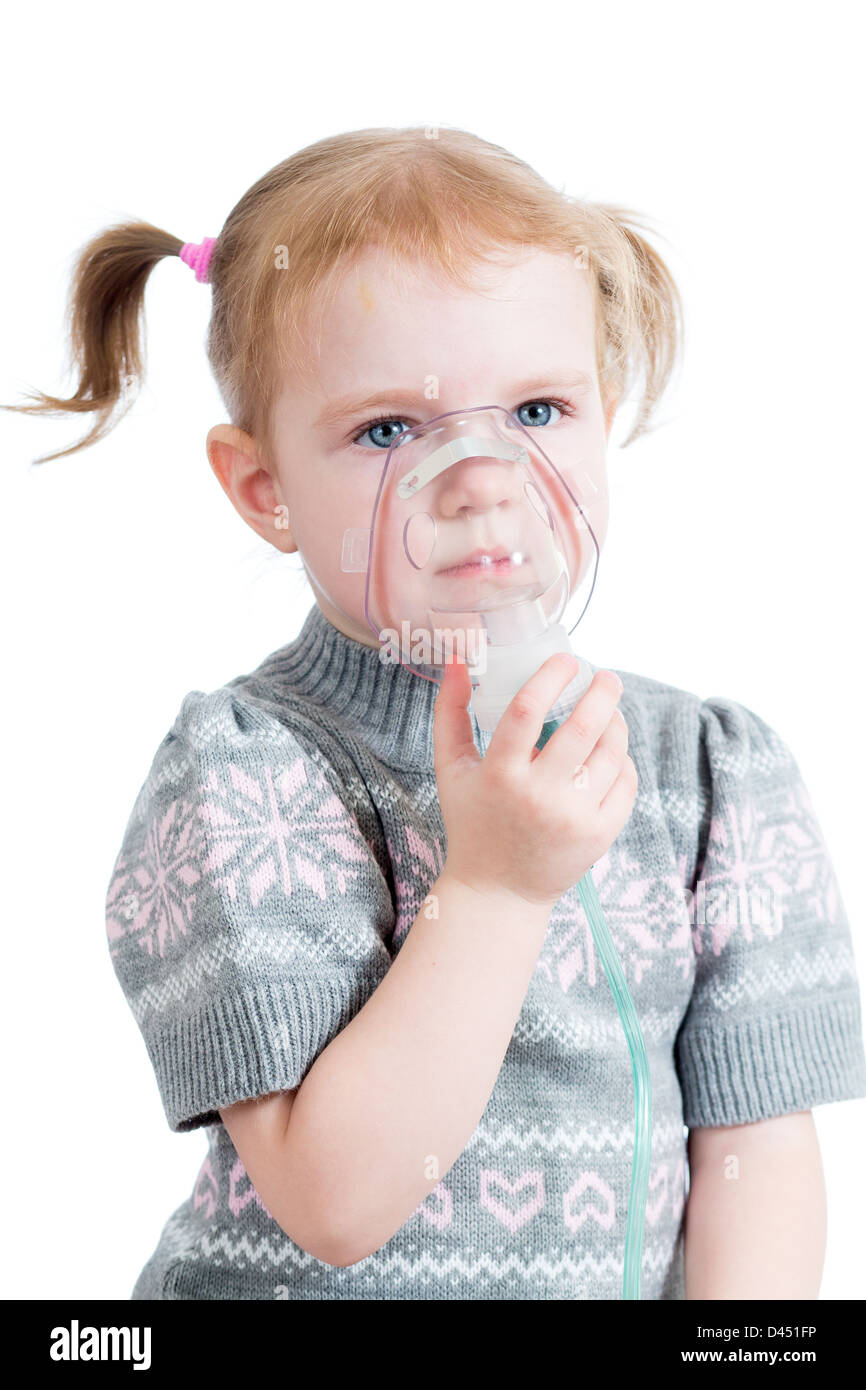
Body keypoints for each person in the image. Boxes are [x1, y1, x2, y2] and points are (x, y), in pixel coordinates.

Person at [8, 125, 866, 1300]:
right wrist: (497, 886)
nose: (478, 475)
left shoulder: (709, 777)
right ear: (264, 489)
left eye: (535, 410)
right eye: (386, 430)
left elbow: (754, 1150)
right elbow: (335, 1202)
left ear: (600, 414)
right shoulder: (248, 780)